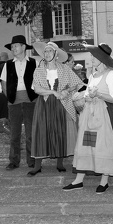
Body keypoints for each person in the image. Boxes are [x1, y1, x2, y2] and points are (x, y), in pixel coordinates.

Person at [63, 43, 113, 193]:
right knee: (86, 145)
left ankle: (104, 181)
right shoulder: (92, 75)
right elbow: (89, 93)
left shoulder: (111, 75)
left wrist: (97, 94)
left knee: (103, 147)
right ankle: (78, 180)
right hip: (89, 115)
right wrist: (86, 95)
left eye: (93, 56)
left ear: (101, 58)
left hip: (104, 117)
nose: (90, 58)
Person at [28, 41, 84, 176]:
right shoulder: (39, 69)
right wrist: (53, 92)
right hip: (44, 103)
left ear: (56, 54)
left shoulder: (64, 69)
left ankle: (60, 163)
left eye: (50, 51)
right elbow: (36, 89)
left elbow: (77, 84)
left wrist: (66, 91)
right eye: (45, 51)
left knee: (59, 131)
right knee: (41, 132)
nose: (47, 54)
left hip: (61, 104)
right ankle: (37, 165)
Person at [0, 35, 38, 170]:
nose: (13, 48)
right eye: (12, 47)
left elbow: (39, 82)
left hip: (31, 102)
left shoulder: (34, 63)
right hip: (14, 102)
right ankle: (14, 161)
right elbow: (4, 84)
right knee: (14, 134)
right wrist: (10, 97)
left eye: (15, 46)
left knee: (30, 134)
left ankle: (32, 161)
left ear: (23, 47)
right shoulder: (8, 64)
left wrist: (35, 97)